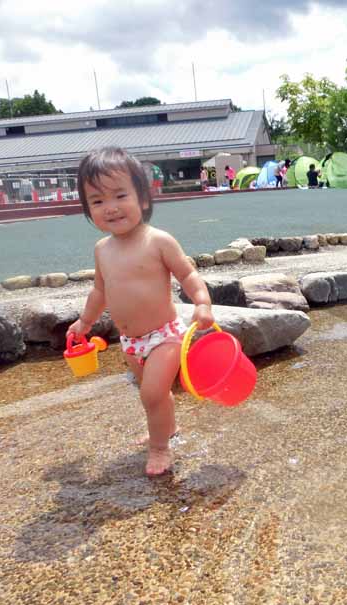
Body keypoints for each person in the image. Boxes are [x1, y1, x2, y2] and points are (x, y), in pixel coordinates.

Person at [67, 147, 215, 476]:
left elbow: (188, 275)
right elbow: (100, 291)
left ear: (144, 199)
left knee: (152, 392)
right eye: (98, 201)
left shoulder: (158, 241)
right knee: (153, 395)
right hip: (130, 341)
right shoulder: (102, 250)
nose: (111, 207)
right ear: (88, 209)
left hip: (165, 336)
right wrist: (85, 321)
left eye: (120, 195)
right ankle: (167, 426)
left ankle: (160, 448)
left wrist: (202, 303)